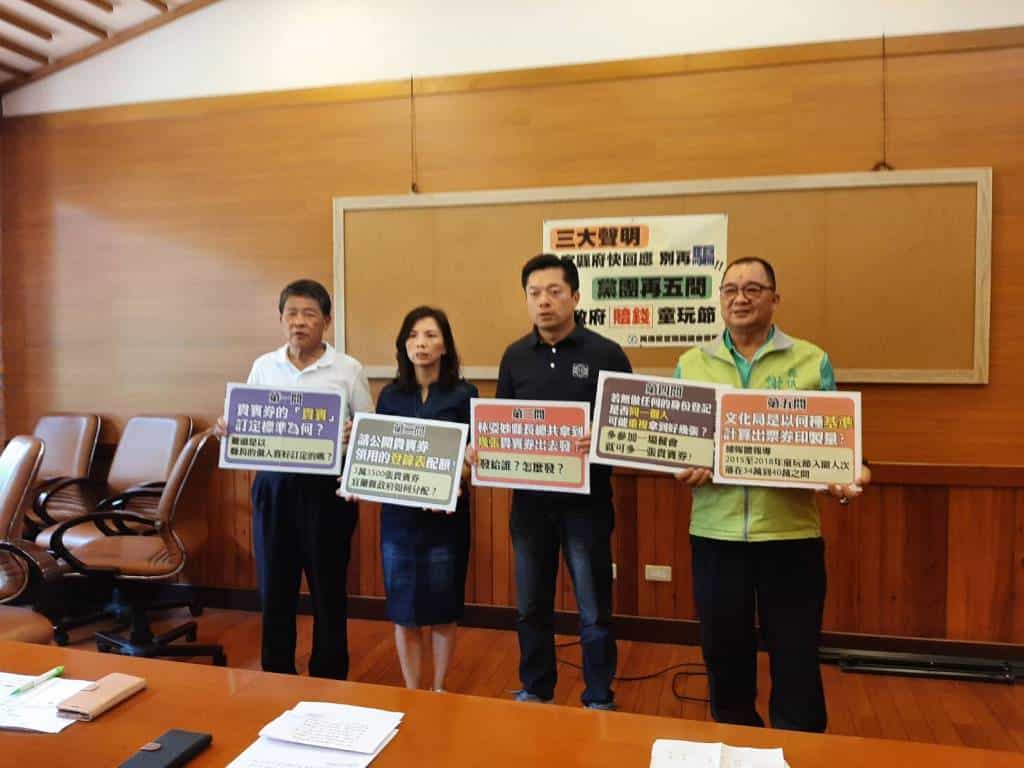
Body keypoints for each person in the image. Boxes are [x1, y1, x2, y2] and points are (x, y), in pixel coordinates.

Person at [673, 257, 870, 732]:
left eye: (753, 289)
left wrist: (850, 473)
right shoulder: (691, 363)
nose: (740, 298)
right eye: (730, 289)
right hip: (716, 536)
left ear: (774, 299)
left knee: (796, 657)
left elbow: (840, 445)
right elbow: (677, 444)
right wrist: (680, 466)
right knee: (724, 657)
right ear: (720, 299)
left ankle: (799, 750)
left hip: (791, 537)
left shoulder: (811, 360)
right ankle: (735, 744)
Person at [493, 253, 632, 710]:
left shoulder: (606, 354)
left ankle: (598, 695)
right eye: (534, 293)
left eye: (554, 292)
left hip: (587, 504)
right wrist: (484, 449)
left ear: (575, 296)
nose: (544, 301)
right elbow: (500, 424)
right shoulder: (514, 356)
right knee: (531, 605)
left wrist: (602, 437)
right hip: (529, 505)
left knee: (593, 609)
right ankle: (536, 688)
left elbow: (628, 428)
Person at [219, 279, 372, 679]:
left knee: (328, 588)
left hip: (327, 493)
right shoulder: (264, 367)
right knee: (275, 587)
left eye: (309, 314)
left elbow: (369, 432)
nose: (299, 322)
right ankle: (277, 673)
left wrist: (354, 432)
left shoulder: (348, 369)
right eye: (291, 313)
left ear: (327, 321)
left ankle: (330, 675)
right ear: (281, 319)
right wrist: (229, 429)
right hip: (274, 490)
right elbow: (248, 424)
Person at [373, 306, 477, 691]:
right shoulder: (390, 396)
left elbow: (472, 460)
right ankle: (413, 690)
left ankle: (439, 688)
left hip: (446, 518)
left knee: (443, 607)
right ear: (404, 344)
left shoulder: (465, 395)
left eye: (431, 335)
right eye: (413, 335)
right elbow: (378, 455)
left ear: (445, 345)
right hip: (399, 519)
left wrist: (452, 480)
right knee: (404, 609)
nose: (421, 343)